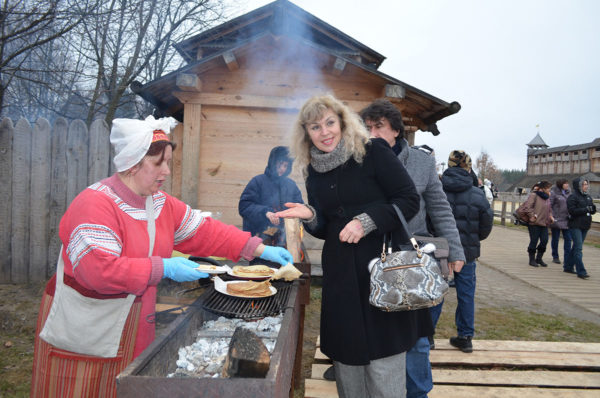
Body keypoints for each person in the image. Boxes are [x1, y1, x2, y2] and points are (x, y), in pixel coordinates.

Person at [30, 116, 293, 397]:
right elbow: (99, 272)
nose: (166, 171)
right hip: (86, 326)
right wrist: (163, 267)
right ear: (132, 163)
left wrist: (258, 248)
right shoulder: (95, 205)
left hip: (136, 322)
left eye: (168, 161)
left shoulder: (159, 203)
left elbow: (206, 232)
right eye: (159, 163)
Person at [275, 94, 429, 398]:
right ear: (306, 133)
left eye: (330, 122)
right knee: (348, 366)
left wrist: (367, 221)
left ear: (343, 122)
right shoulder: (312, 170)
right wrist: (311, 215)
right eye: (315, 127)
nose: (325, 132)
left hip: (383, 273)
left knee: (385, 366)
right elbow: (327, 226)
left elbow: (408, 200)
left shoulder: (373, 152)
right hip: (342, 278)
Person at [360, 98, 465, 398]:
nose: (372, 134)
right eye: (367, 128)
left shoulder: (421, 162)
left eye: (378, 127)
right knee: (374, 329)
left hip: (412, 259)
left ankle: (417, 392)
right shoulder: (358, 160)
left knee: (417, 336)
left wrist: (456, 251)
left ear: (395, 130)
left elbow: (441, 208)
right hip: (370, 259)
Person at [441, 150, 493, 353]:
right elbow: (486, 224)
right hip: (467, 250)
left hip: (441, 249)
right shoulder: (478, 194)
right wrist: (473, 240)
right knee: (466, 294)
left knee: (435, 291)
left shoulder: (437, 189)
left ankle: (427, 336)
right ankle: (465, 336)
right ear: (468, 167)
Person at [239, 146, 303, 252]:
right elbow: (244, 206)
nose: (282, 169)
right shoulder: (257, 182)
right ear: (272, 162)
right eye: (279, 164)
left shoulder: (291, 185)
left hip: (284, 241)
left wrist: (290, 214)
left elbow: (300, 207)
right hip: (259, 241)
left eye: (285, 166)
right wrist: (265, 212)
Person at [564, 178, 596, 279]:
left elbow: (591, 209)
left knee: (576, 247)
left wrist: (592, 210)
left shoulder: (588, 197)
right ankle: (581, 271)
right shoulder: (572, 197)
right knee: (578, 248)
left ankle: (568, 266)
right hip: (575, 225)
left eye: (587, 184)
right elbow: (572, 211)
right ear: (578, 186)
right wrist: (585, 209)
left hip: (585, 225)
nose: (586, 186)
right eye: (584, 184)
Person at [520, 180, 554, 267]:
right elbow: (528, 207)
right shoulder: (534, 195)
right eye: (548, 188)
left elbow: (549, 209)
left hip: (544, 223)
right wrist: (532, 216)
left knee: (544, 240)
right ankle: (532, 259)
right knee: (534, 241)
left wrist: (550, 216)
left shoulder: (547, 197)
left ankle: (539, 258)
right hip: (534, 223)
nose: (550, 190)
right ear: (543, 189)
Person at [549, 179, 572, 267]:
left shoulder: (569, 193)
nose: (567, 185)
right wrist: (552, 216)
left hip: (566, 219)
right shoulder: (554, 193)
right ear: (561, 184)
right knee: (555, 238)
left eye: (567, 183)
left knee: (568, 239)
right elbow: (549, 205)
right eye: (565, 183)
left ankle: (567, 258)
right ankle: (555, 256)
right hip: (556, 219)